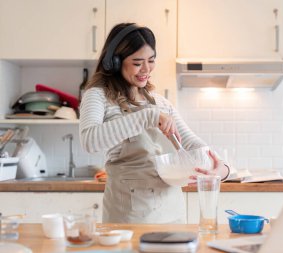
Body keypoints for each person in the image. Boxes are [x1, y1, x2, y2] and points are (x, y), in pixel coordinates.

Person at [79, 23, 230, 224]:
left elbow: (192, 143)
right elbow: (90, 141)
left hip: (173, 215)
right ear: (115, 62)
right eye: (137, 62)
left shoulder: (159, 102)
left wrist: (223, 169)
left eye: (151, 60)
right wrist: (148, 116)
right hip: (127, 220)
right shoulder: (98, 96)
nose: (146, 69)